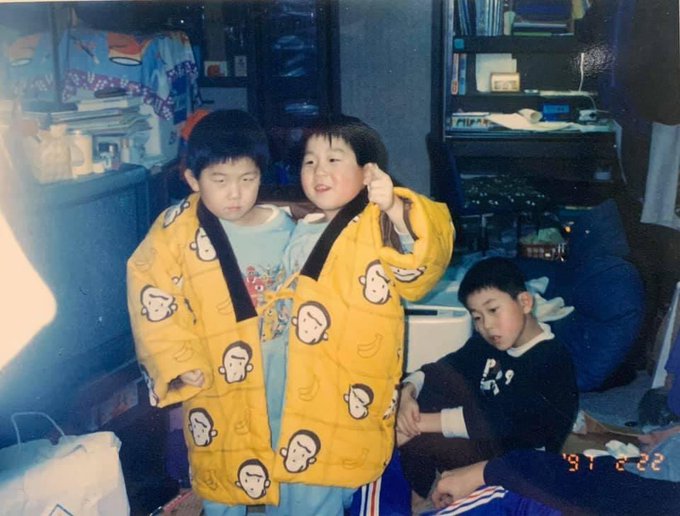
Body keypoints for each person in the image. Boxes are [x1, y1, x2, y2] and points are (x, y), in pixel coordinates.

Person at [252, 113, 454, 515]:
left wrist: (394, 204)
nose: (318, 171)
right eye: (309, 161)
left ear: (368, 173)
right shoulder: (302, 226)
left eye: (333, 159)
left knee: (319, 485)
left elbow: (423, 261)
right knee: (287, 485)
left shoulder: (376, 223)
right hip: (288, 383)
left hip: (339, 392)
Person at [127, 110, 296, 513]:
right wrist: (178, 359)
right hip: (215, 372)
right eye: (219, 181)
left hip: (281, 367)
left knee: (289, 460)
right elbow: (151, 291)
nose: (235, 194)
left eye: (247, 179)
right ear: (193, 180)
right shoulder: (175, 231)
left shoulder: (285, 227)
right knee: (221, 469)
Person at [397, 257, 579, 504]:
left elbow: (498, 419)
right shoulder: (490, 342)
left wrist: (414, 425)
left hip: (519, 462)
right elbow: (442, 369)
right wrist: (407, 393)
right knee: (428, 393)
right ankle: (425, 490)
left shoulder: (551, 359)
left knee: (416, 431)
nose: (487, 325)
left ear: (525, 302)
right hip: (485, 439)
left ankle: (424, 495)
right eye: (477, 317)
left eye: (493, 310)